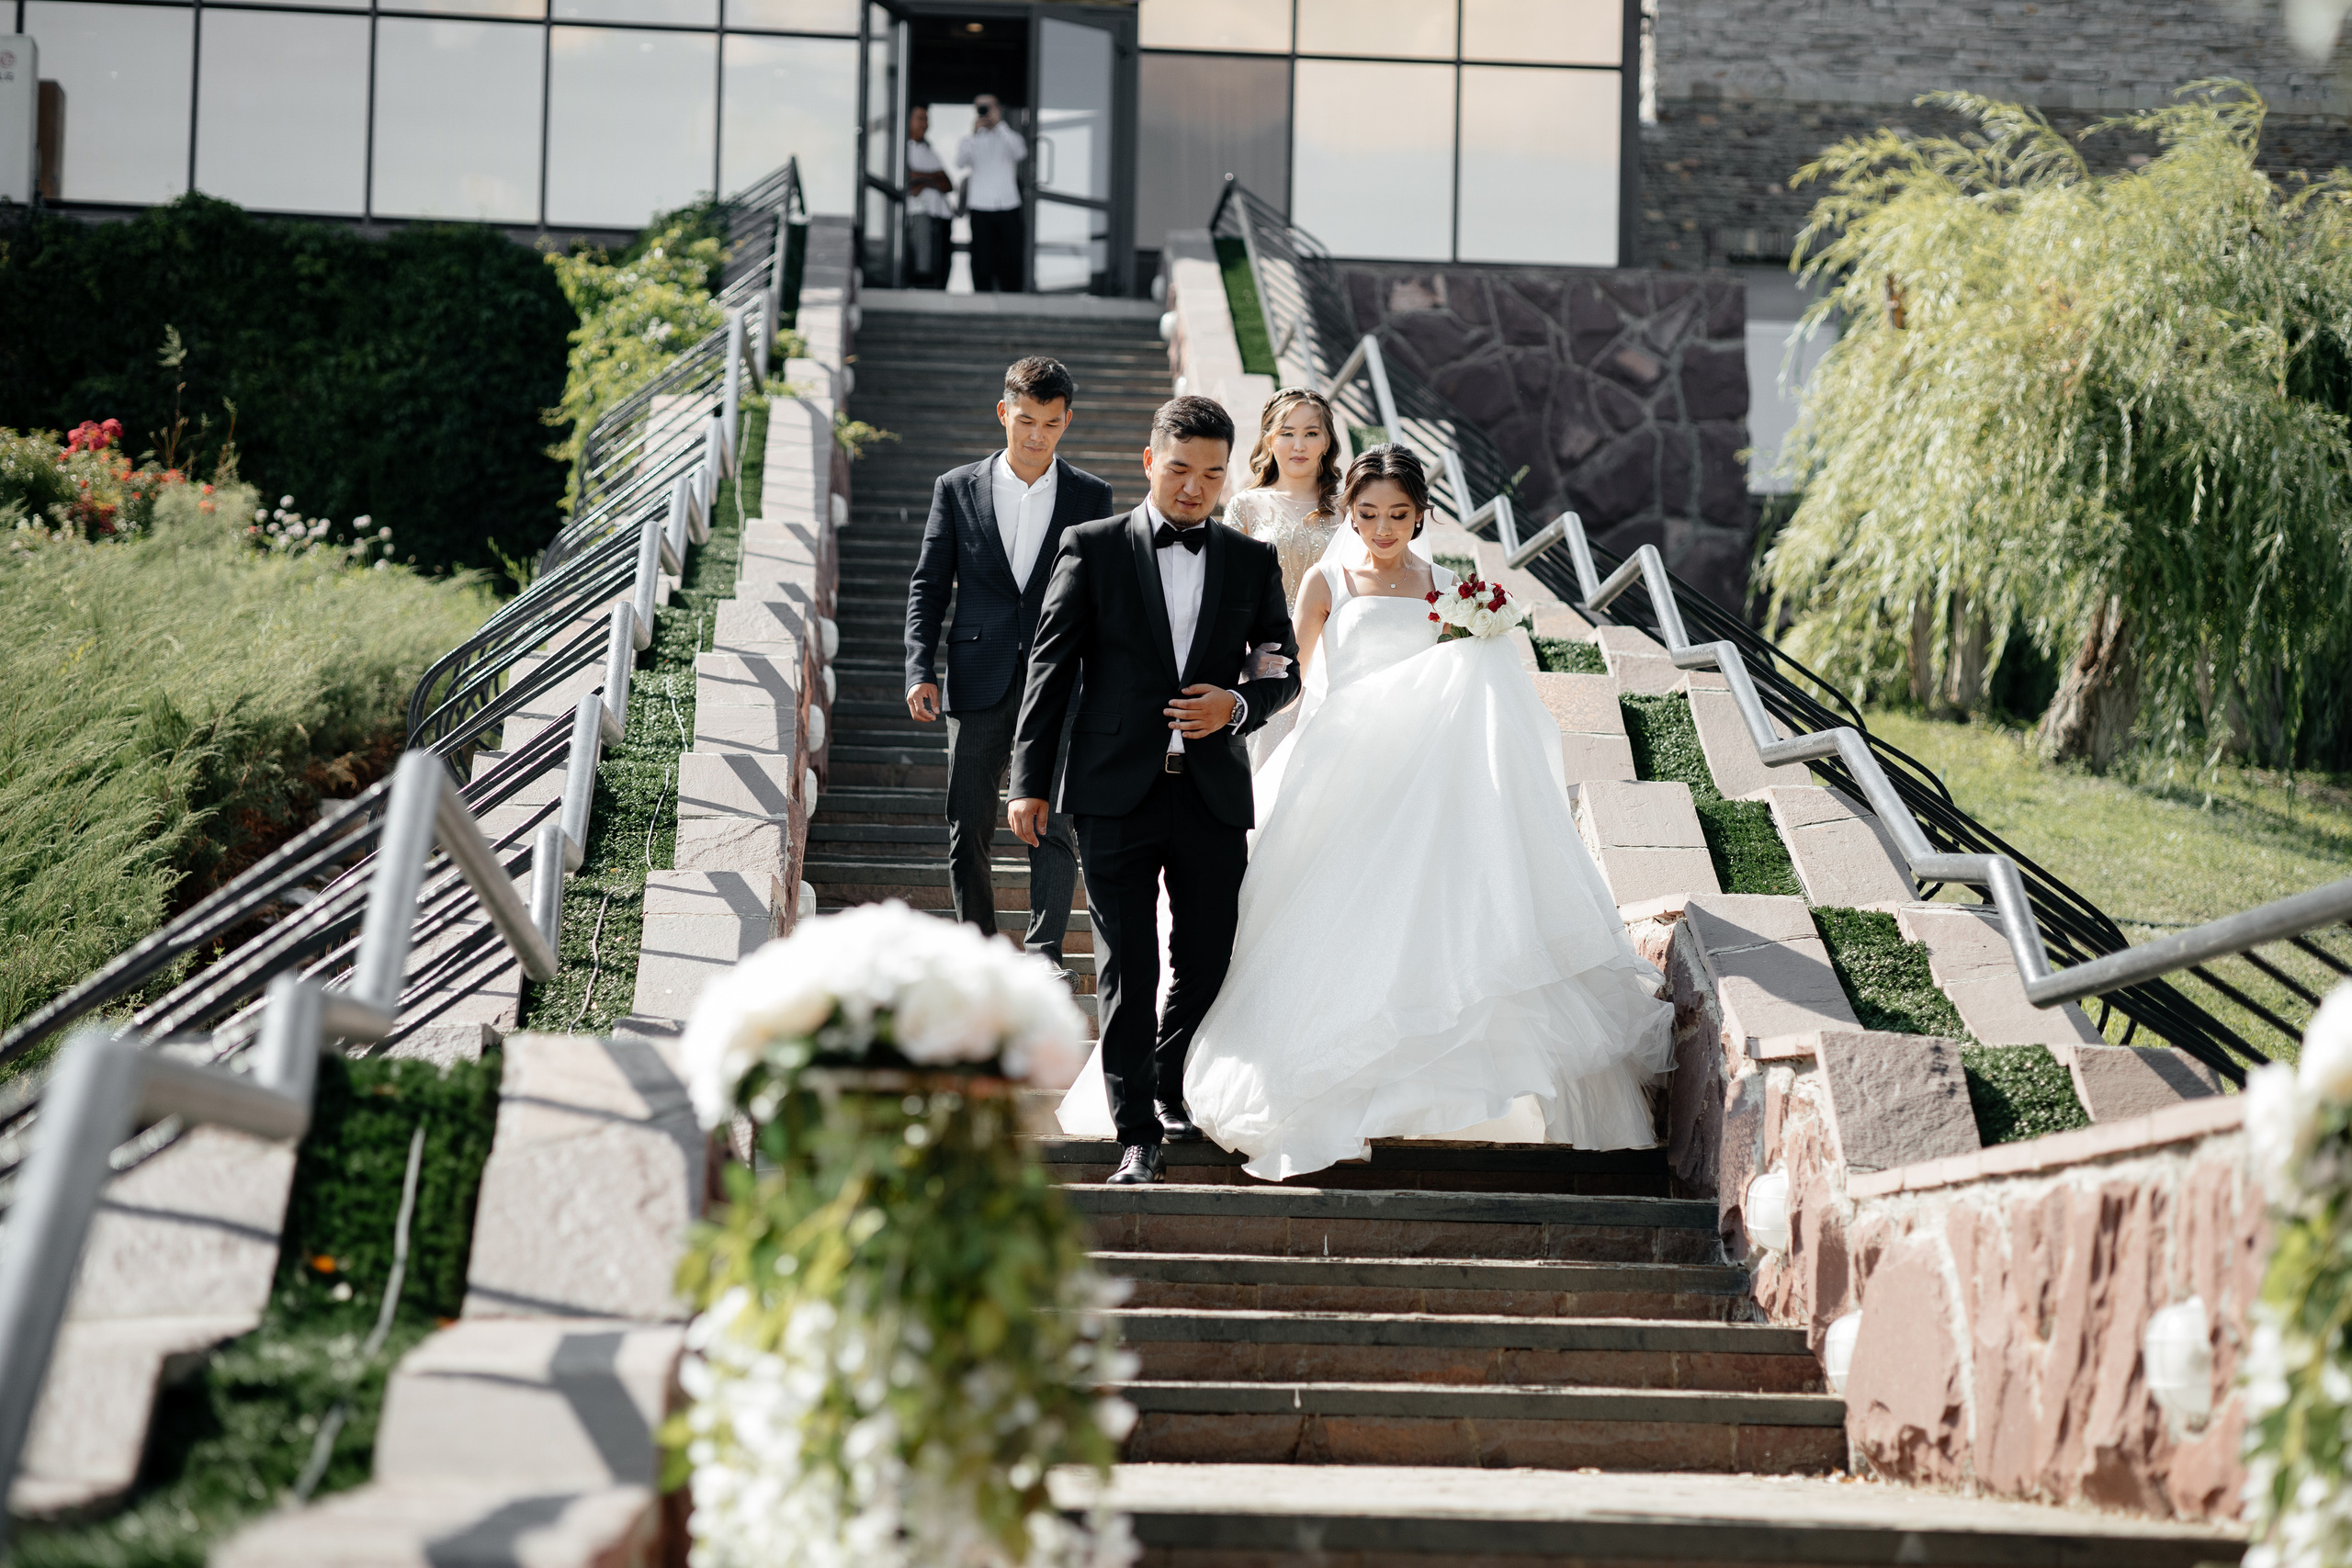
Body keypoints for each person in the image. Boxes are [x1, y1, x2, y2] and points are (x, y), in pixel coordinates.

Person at [1057, 446, 1674, 1181]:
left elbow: (1483, 685)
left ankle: (1423, 1100)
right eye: (1368, 513)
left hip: (1429, 787)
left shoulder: (1453, 588)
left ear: (1421, 516)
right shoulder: (1325, 581)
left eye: (1399, 515)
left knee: (1438, 931)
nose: (1383, 529)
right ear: (1348, 512)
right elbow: (1289, 683)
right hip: (1342, 773)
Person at [1006, 396, 1301, 1186]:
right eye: (1179, 469)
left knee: (1207, 956)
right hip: (1112, 793)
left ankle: (1168, 1076)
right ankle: (1136, 1129)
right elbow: (1050, 669)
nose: (1193, 488)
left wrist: (1236, 707)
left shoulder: (1250, 559)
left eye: (1211, 473)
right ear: (1148, 463)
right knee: (1128, 964)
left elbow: (1281, 666)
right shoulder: (1091, 546)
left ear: (1228, 475)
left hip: (1210, 794)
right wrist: (1029, 781)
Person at [904, 356, 1113, 976]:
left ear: (1066, 422)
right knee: (967, 821)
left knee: (1051, 818)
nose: (1036, 435)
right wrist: (920, 666)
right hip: (978, 676)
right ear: (1004, 413)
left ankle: (1044, 950)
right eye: (1025, 420)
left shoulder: (1091, 495)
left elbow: (1100, 600)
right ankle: (977, 948)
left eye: (1050, 423)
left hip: (1058, 683)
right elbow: (928, 585)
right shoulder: (956, 486)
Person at [1223, 388, 1342, 768]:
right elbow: (1227, 588)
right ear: (1269, 438)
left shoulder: (1350, 509)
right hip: (1267, 658)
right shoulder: (1245, 504)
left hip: (1333, 656)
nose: (1299, 445)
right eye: (1287, 432)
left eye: (1311, 433)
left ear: (1327, 441)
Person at [959, 94, 1025, 292]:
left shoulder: (1009, 136)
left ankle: (1012, 297)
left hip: (1008, 203)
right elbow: (960, 161)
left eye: (988, 107)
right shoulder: (970, 139)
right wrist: (976, 132)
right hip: (980, 204)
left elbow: (1020, 152)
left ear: (998, 108)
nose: (985, 112)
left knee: (1011, 255)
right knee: (981, 257)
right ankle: (981, 297)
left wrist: (1000, 125)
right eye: (981, 107)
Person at [904, 105, 955, 290]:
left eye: (926, 118)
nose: (924, 124)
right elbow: (908, 180)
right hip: (918, 213)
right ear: (908, 120)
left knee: (941, 264)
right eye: (920, 118)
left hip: (940, 214)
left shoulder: (929, 151)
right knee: (922, 264)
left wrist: (923, 179)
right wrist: (934, 177)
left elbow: (948, 184)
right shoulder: (901, 150)